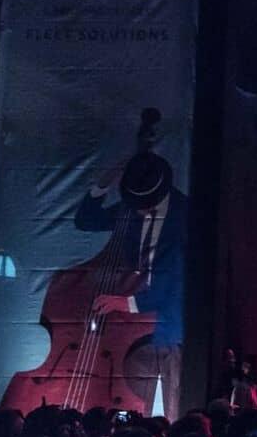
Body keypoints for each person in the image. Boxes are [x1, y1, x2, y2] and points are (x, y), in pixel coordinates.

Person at [75, 125, 187, 419]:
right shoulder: (132, 207)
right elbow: (86, 220)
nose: (134, 210)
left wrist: (123, 302)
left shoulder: (184, 216)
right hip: (134, 328)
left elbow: (173, 280)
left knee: (175, 411)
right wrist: (107, 178)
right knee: (135, 414)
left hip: (168, 325)